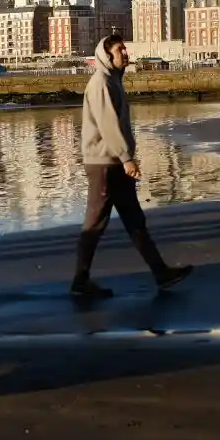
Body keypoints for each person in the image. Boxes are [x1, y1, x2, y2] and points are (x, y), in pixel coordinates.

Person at [71, 34, 192, 298]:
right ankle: (80, 282)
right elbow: (108, 125)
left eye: (125, 48)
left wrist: (125, 158)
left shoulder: (113, 81)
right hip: (104, 163)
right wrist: (126, 158)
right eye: (119, 49)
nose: (125, 53)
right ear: (106, 54)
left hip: (115, 162)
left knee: (135, 220)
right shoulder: (101, 83)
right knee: (94, 224)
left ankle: (161, 273)